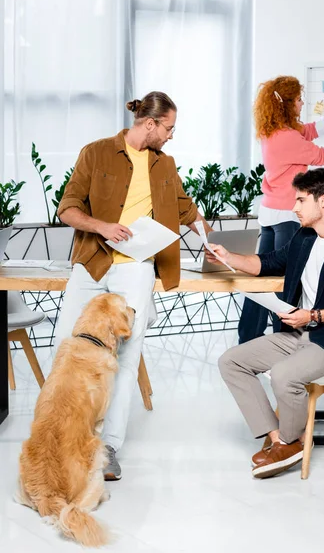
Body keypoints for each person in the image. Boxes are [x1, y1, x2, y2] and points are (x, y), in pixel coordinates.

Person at [56, 91, 212, 480]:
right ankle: (61, 438)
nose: (172, 136)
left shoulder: (165, 164)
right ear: (149, 124)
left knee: (126, 356)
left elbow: (185, 208)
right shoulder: (96, 152)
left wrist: (208, 237)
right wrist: (103, 226)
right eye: (169, 128)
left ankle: (108, 447)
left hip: (136, 268)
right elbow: (67, 208)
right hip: (92, 262)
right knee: (64, 348)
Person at [206, 168, 324, 479]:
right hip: (298, 333)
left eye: (301, 200)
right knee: (231, 361)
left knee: (284, 375)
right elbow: (267, 263)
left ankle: (289, 442)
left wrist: (312, 315)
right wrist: (228, 257)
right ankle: (281, 441)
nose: (294, 207)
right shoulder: (304, 238)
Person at [238, 75, 324, 343]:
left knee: (260, 278)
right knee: (287, 283)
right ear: (287, 104)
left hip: (270, 214)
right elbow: (322, 156)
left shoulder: (273, 131)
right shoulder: (287, 137)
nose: (302, 103)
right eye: (298, 99)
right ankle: (282, 340)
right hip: (287, 216)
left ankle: (248, 339)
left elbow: (310, 129)